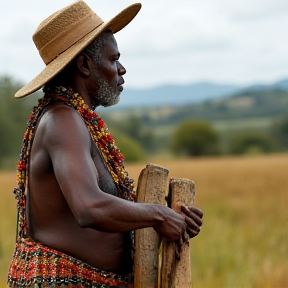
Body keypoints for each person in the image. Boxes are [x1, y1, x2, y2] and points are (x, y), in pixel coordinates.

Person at [7, 1, 203, 288]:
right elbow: (89, 208)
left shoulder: (76, 120)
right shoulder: (62, 120)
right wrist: (159, 215)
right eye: (113, 59)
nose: (122, 69)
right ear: (85, 64)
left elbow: (106, 211)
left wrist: (174, 219)